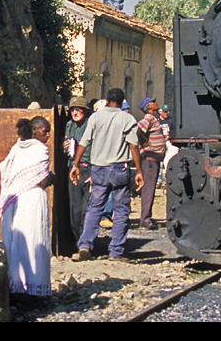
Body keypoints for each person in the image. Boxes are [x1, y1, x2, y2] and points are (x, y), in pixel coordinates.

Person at [70, 88, 143, 262]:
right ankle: (116, 252)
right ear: (122, 102)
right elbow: (133, 146)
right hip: (119, 169)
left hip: (98, 169)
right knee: (121, 210)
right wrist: (139, 171)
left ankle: (85, 246)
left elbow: (84, 142)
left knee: (94, 208)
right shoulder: (128, 119)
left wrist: (75, 164)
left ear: (107, 101)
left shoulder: (95, 118)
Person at [0, 117, 52, 298]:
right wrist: (53, 177)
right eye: (45, 130)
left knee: (18, 244)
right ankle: (35, 289)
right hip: (32, 199)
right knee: (34, 241)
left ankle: (17, 287)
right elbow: (42, 181)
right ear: (35, 130)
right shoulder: (41, 150)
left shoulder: (16, 147)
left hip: (14, 201)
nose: (48, 135)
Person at [64, 96, 92, 244]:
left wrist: (95, 172)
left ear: (85, 111)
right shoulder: (69, 125)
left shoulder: (91, 125)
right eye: (72, 110)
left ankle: (86, 243)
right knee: (75, 209)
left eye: (78, 109)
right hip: (73, 170)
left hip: (89, 169)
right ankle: (77, 242)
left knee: (87, 209)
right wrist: (65, 148)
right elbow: (67, 150)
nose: (75, 113)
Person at [136, 97, 166, 229]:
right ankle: (145, 219)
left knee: (151, 189)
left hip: (154, 159)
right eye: (153, 102)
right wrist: (144, 141)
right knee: (148, 189)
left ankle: (147, 217)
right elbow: (138, 129)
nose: (156, 102)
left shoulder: (154, 118)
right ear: (149, 106)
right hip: (149, 159)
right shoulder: (149, 118)